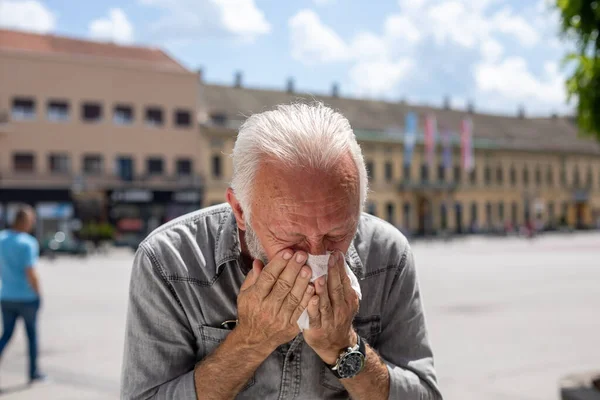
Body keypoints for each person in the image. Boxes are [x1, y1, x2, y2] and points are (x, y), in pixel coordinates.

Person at [121, 103, 442, 400]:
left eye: (336, 233)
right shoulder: (170, 261)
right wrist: (251, 340)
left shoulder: (386, 254)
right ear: (240, 211)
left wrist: (344, 347)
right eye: (292, 237)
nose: (317, 254)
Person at [0, 205, 46, 384]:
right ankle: (33, 373)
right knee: (32, 335)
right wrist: (38, 293)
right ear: (24, 221)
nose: (33, 223)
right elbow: (31, 273)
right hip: (26, 297)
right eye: (31, 220)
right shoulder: (28, 242)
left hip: (6, 296)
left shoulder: (2, 239)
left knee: (6, 335)